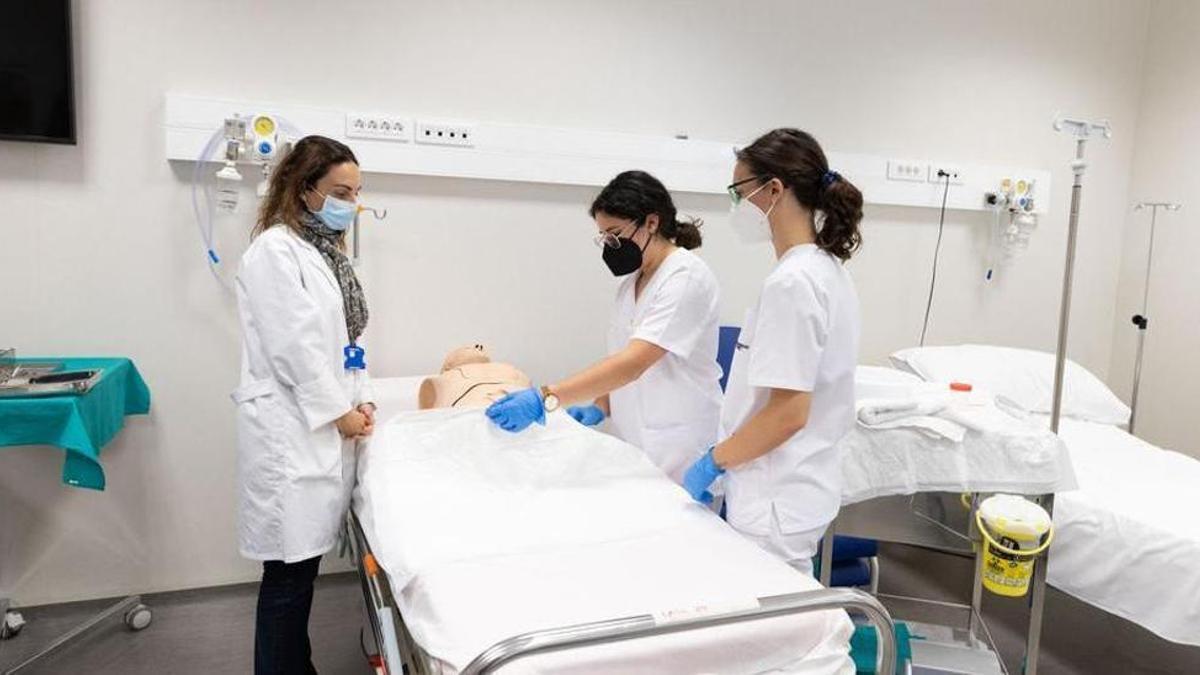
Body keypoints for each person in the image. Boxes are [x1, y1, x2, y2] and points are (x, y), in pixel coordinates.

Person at [681, 128, 863, 575]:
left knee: (774, 623)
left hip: (774, 496)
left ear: (774, 190)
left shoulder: (793, 283)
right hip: (795, 488)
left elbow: (788, 413)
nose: (737, 207)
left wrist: (715, 461)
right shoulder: (826, 270)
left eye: (739, 193)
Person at [232, 135, 376, 674]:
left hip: (319, 426)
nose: (351, 203)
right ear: (304, 187)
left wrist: (359, 400)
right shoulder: (274, 250)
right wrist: (340, 412)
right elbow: (294, 347)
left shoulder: (325, 254)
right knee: (288, 580)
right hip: (289, 433)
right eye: (341, 191)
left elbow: (343, 347)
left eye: (357, 192)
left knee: (298, 576)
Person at [484, 170, 723, 483]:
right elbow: (624, 358)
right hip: (638, 442)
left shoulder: (685, 277)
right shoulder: (631, 284)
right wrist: (602, 404)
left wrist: (545, 398)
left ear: (652, 222)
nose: (610, 245)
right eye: (604, 237)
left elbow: (635, 362)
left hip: (680, 447)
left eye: (614, 234)